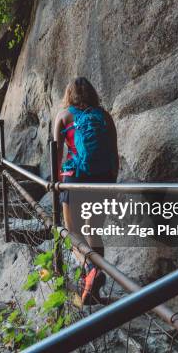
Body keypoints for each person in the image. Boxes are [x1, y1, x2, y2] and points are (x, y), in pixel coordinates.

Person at [53, 77, 119, 305]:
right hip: (101, 180)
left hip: (73, 179)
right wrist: (111, 184)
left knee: (72, 234)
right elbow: (114, 154)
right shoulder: (104, 116)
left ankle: (90, 268)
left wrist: (55, 183)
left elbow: (57, 154)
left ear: (69, 95)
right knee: (93, 230)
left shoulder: (63, 117)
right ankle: (93, 286)